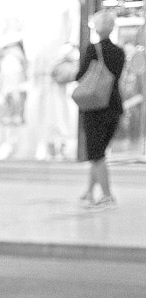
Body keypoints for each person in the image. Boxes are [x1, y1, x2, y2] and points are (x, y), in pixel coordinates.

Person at [77, 10, 125, 210]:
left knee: (96, 153)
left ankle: (107, 195)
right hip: (114, 106)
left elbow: (80, 75)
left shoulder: (92, 50)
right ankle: (89, 191)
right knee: (99, 151)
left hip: (95, 106)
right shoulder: (120, 52)